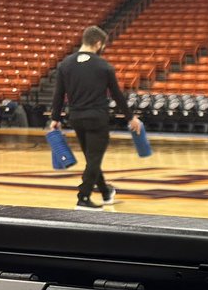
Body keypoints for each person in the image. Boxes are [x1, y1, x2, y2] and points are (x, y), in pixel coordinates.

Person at [49, 25, 142, 210]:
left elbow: (58, 94)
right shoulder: (104, 66)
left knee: (92, 158)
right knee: (94, 159)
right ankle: (83, 197)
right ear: (98, 43)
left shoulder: (65, 64)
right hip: (97, 118)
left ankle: (106, 192)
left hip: (75, 118)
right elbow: (117, 95)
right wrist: (131, 118)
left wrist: (55, 118)